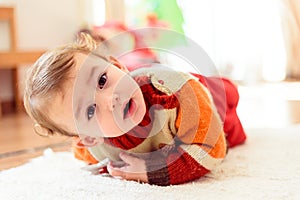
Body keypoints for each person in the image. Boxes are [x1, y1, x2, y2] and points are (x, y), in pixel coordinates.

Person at [24, 33, 246, 186]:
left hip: (202, 99)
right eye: (90, 111)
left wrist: (155, 172)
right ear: (89, 138)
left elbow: (211, 149)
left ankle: (228, 86)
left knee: (231, 120)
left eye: (102, 80)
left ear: (118, 66)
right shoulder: (90, 147)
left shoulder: (173, 93)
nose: (111, 99)